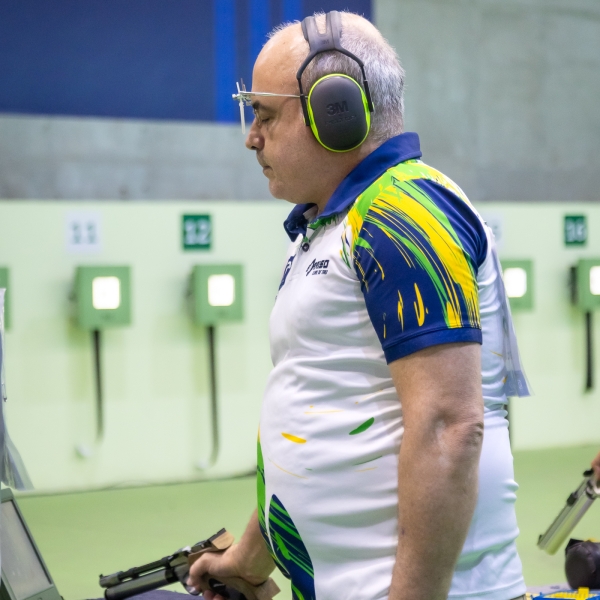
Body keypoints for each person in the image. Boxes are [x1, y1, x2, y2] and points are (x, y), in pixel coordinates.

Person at [189, 10, 529, 600]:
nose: (252, 136)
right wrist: (248, 560)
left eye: (265, 114)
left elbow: (449, 425)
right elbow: (321, 415)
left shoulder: (403, 215)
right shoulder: (334, 226)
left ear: (336, 111)